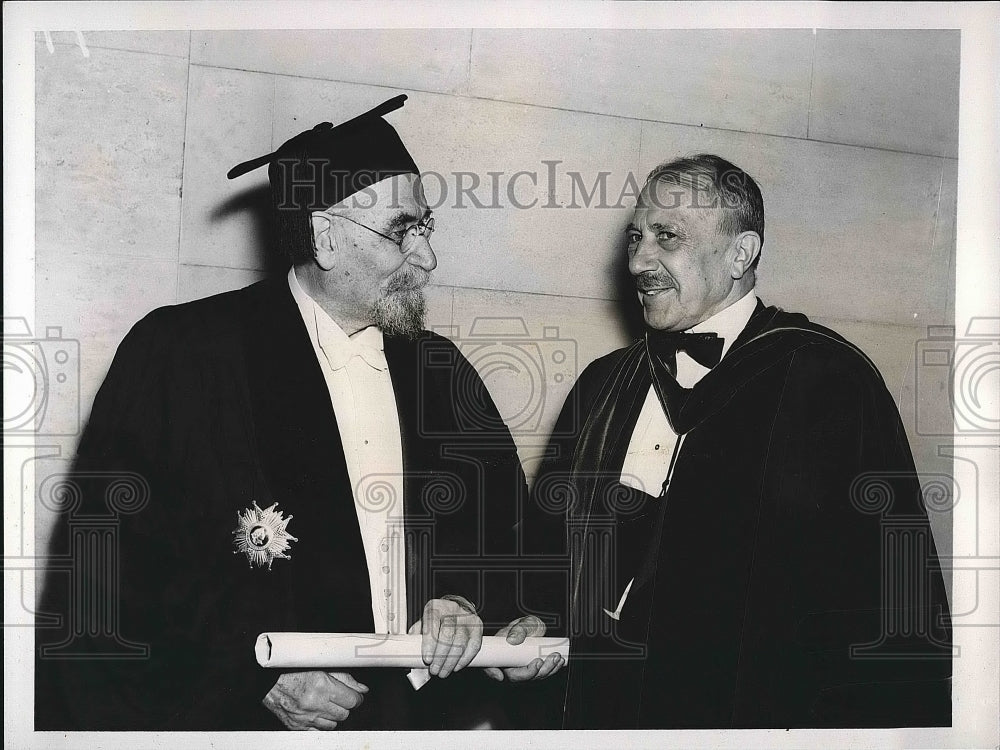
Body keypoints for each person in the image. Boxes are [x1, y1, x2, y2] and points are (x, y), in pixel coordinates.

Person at [34, 95, 559, 731]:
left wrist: (465, 601)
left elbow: (511, 541)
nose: (428, 258)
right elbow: (107, 577)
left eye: (426, 228)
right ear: (325, 236)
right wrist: (252, 675)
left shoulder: (440, 372)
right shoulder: (183, 355)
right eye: (402, 231)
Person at [525, 154, 952, 728]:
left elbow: (886, 599)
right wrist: (531, 620)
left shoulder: (827, 382)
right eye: (636, 236)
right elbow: (545, 555)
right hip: (604, 714)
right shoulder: (605, 383)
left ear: (740, 254)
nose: (638, 260)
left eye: (666, 237)